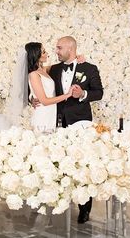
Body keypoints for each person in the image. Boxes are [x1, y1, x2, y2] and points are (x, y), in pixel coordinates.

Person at [48, 36, 104, 224]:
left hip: (81, 124)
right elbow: (37, 80)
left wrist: (83, 94)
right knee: (59, 164)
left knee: (83, 165)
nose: (56, 51)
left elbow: (99, 92)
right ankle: (58, 204)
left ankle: (84, 208)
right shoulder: (54, 69)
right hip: (57, 123)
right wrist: (34, 98)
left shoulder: (89, 68)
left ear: (71, 49)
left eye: (59, 48)